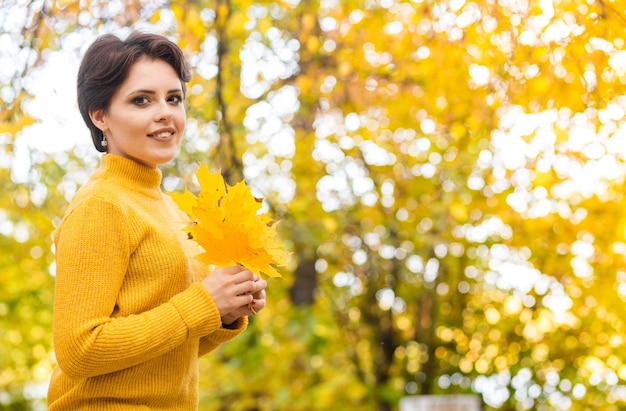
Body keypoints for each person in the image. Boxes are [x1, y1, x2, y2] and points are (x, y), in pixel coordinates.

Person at [47, 31, 267, 410]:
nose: (165, 112)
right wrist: (201, 303)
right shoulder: (101, 205)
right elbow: (79, 351)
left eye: (174, 98)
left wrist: (223, 313)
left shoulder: (170, 210)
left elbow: (160, 358)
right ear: (100, 115)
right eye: (141, 100)